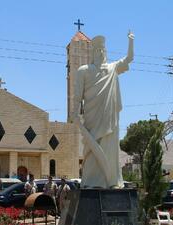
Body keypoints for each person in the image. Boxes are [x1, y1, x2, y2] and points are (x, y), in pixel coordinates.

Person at [72, 31, 134, 188]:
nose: (100, 53)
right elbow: (78, 95)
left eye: (103, 50)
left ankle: (112, 181)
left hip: (109, 118)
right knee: (92, 150)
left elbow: (129, 59)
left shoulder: (112, 68)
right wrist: (75, 112)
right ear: (92, 53)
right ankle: (92, 182)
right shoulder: (83, 70)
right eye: (97, 50)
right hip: (92, 117)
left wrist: (130, 42)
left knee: (109, 147)